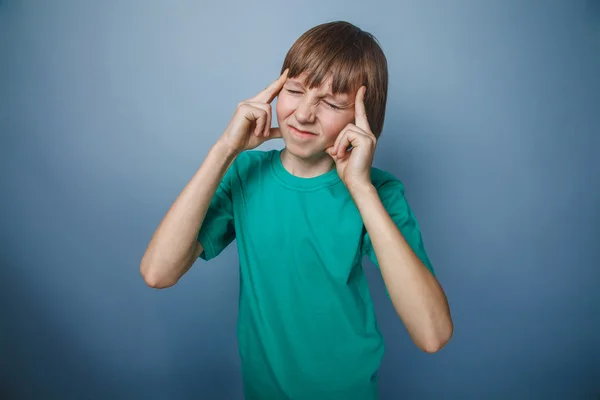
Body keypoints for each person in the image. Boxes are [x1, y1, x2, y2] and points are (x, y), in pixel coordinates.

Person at [140, 20, 453, 400]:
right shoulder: (246, 174)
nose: (304, 114)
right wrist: (225, 150)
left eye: (332, 103)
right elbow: (158, 272)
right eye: (294, 91)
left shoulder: (380, 193)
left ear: (361, 118)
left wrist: (360, 188)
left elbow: (432, 334)